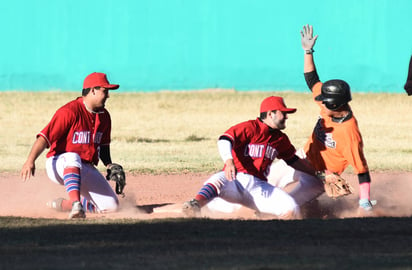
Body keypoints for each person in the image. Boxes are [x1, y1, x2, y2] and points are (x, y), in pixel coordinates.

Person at [267, 25, 374, 213]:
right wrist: (308, 51)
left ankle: (307, 209)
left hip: (319, 177)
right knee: (264, 179)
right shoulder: (329, 107)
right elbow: (311, 78)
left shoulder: (349, 134)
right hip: (300, 158)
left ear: (334, 105)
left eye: (324, 101)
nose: (320, 103)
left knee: (283, 207)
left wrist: (364, 201)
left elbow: (362, 170)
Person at [182, 96, 320, 219]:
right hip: (235, 181)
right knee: (217, 180)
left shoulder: (280, 139)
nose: (286, 117)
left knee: (291, 207)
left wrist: (321, 175)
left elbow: (294, 161)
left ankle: (274, 235)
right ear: (271, 114)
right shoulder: (249, 128)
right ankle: (196, 204)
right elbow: (224, 139)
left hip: (259, 188)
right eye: (283, 113)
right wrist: (228, 161)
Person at [20, 72, 123, 219]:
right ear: (93, 90)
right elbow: (44, 137)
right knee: (72, 157)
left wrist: (109, 165)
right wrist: (30, 160)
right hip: (58, 163)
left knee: (111, 206)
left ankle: (65, 204)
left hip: (85, 167)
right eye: (105, 91)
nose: (108, 95)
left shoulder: (104, 116)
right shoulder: (69, 112)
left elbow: (104, 147)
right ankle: (76, 204)